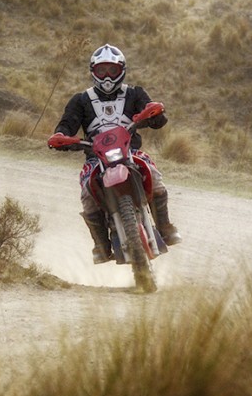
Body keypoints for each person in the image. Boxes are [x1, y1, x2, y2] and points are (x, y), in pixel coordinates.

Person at [47, 43, 180, 265]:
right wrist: (61, 136)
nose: (107, 76)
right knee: (87, 195)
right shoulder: (80, 100)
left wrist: (155, 114)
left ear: (122, 70)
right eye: (101, 71)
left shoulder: (134, 93)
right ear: (93, 72)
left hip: (131, 152)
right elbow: (66, 125)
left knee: (154, 176)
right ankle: (101, 244)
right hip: (95, 158)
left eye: (112, 70)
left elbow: (153, 111)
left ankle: (164, 227)